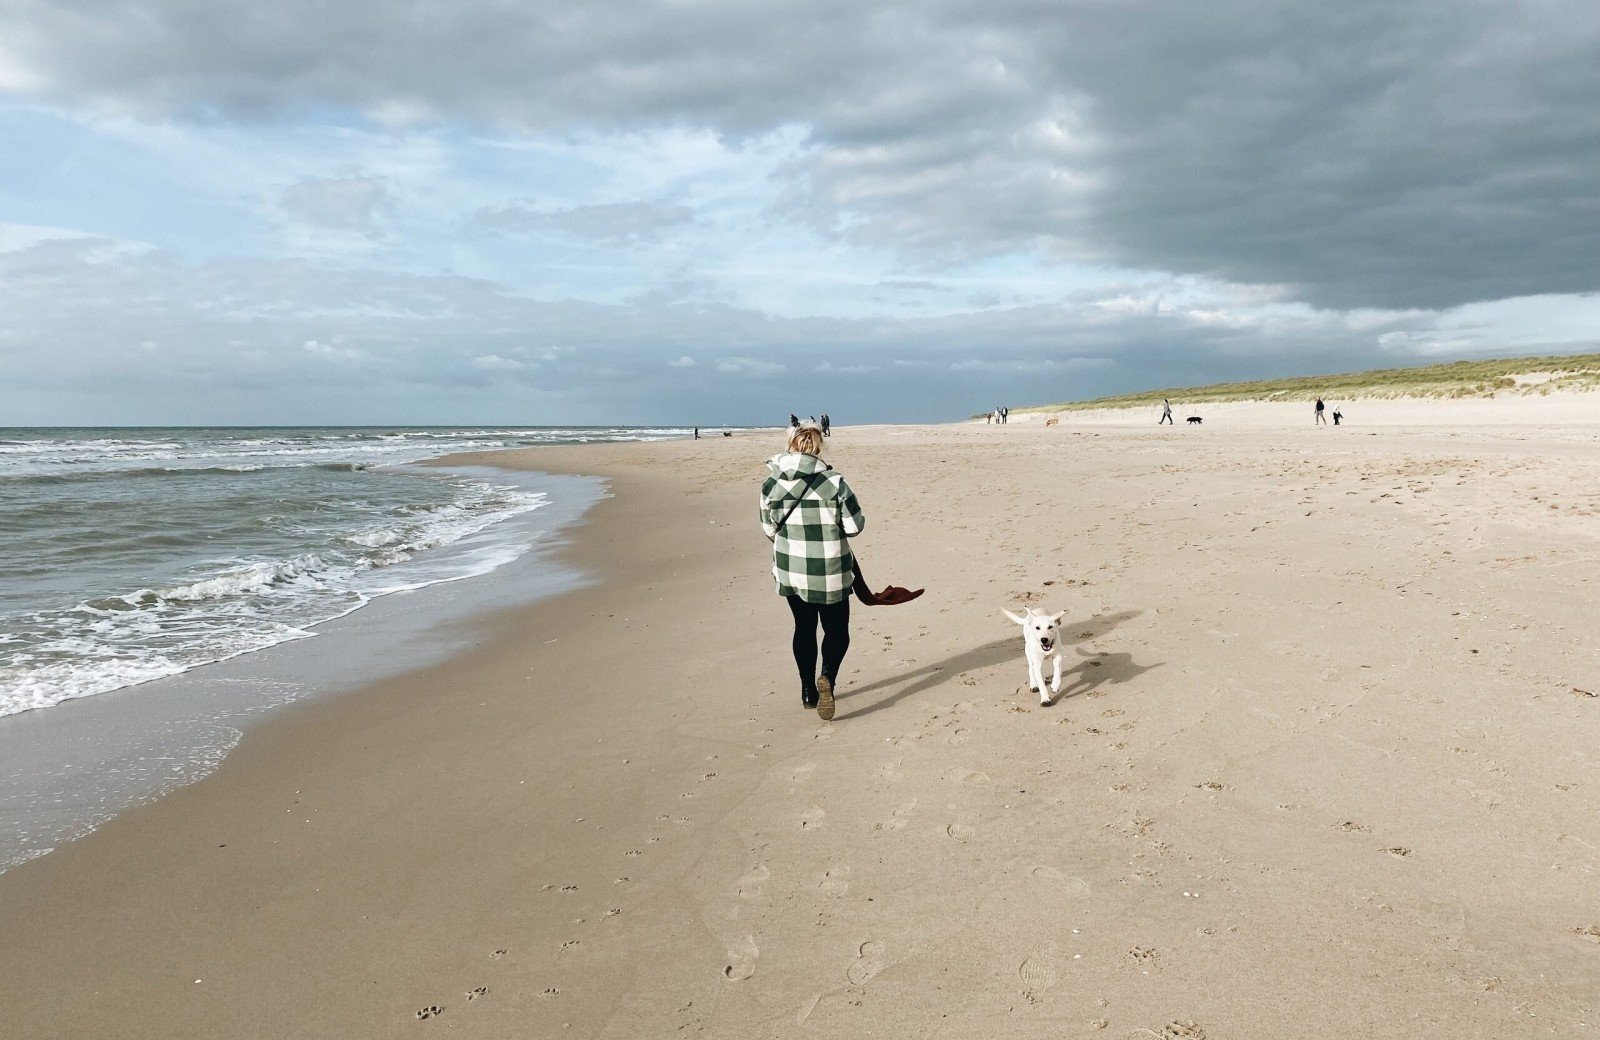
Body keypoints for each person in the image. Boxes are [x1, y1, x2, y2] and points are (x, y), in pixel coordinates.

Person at [760, 421, 864, 721]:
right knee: (836, 631)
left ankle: (808, 690)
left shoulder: (770, 484)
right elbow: (855, 526)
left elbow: (768, 529)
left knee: (803, 627)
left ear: (790, 447)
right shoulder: (834, 482)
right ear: (818, 449)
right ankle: (827, 678)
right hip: (830, 570)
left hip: (791, 569)